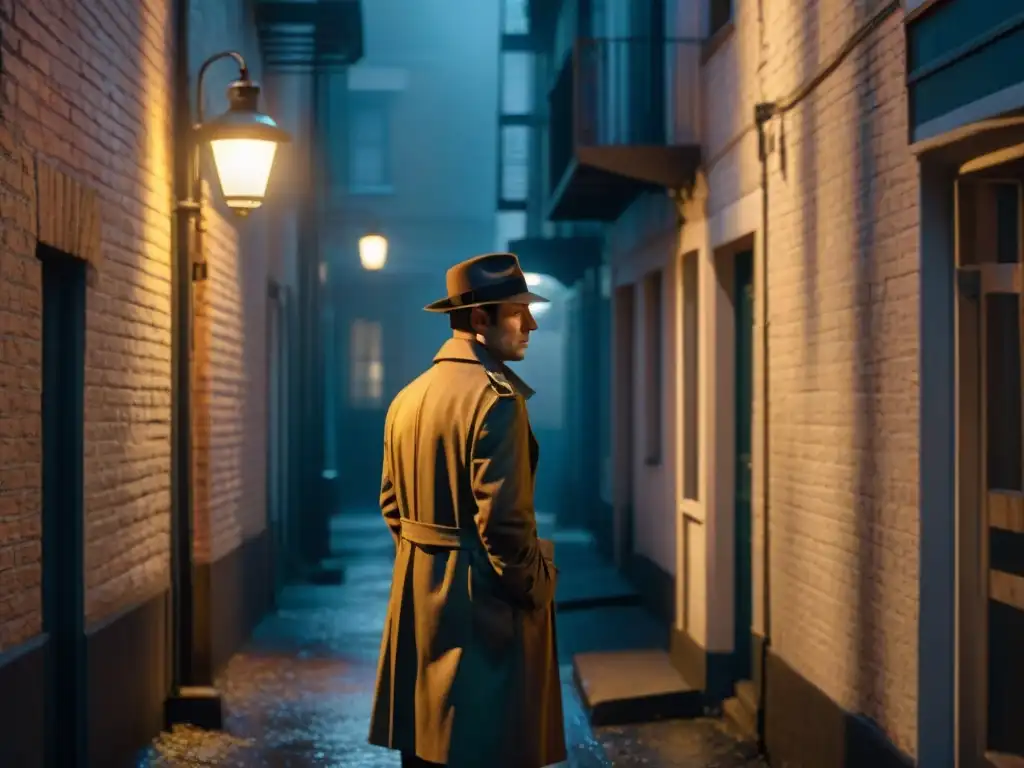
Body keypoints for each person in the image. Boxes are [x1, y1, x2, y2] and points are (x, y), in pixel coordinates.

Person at [368, 253, 567, 768]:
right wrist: (538, 585)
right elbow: (504, 526)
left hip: (418, 603)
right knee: (485, 747)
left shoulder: (407, 398)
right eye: (517, 312)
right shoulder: (495, 400)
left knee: (427, 748)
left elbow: (391, 504)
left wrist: (427, 562)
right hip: (483, 615)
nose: (531, 324)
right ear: (480, 319)